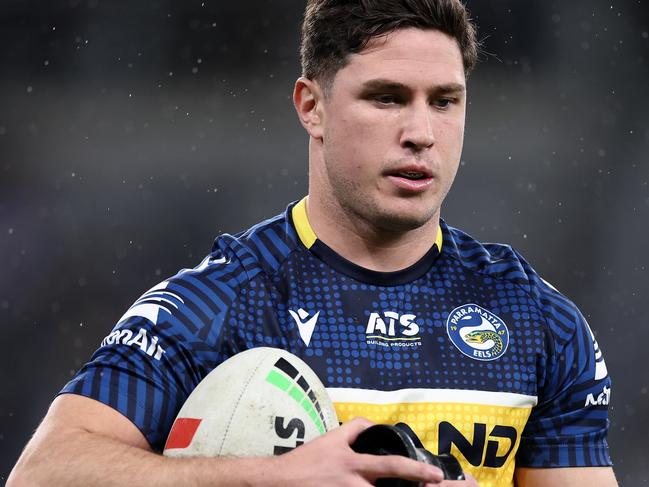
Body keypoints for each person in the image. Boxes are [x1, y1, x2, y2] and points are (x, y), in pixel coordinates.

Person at [8, 1, 617, 486]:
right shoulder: (218, 304)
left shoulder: (541, 321)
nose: (421, 133)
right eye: (386, 98)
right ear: (312, 107)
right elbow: (45, 472)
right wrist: (271, 478)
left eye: (445, 101)